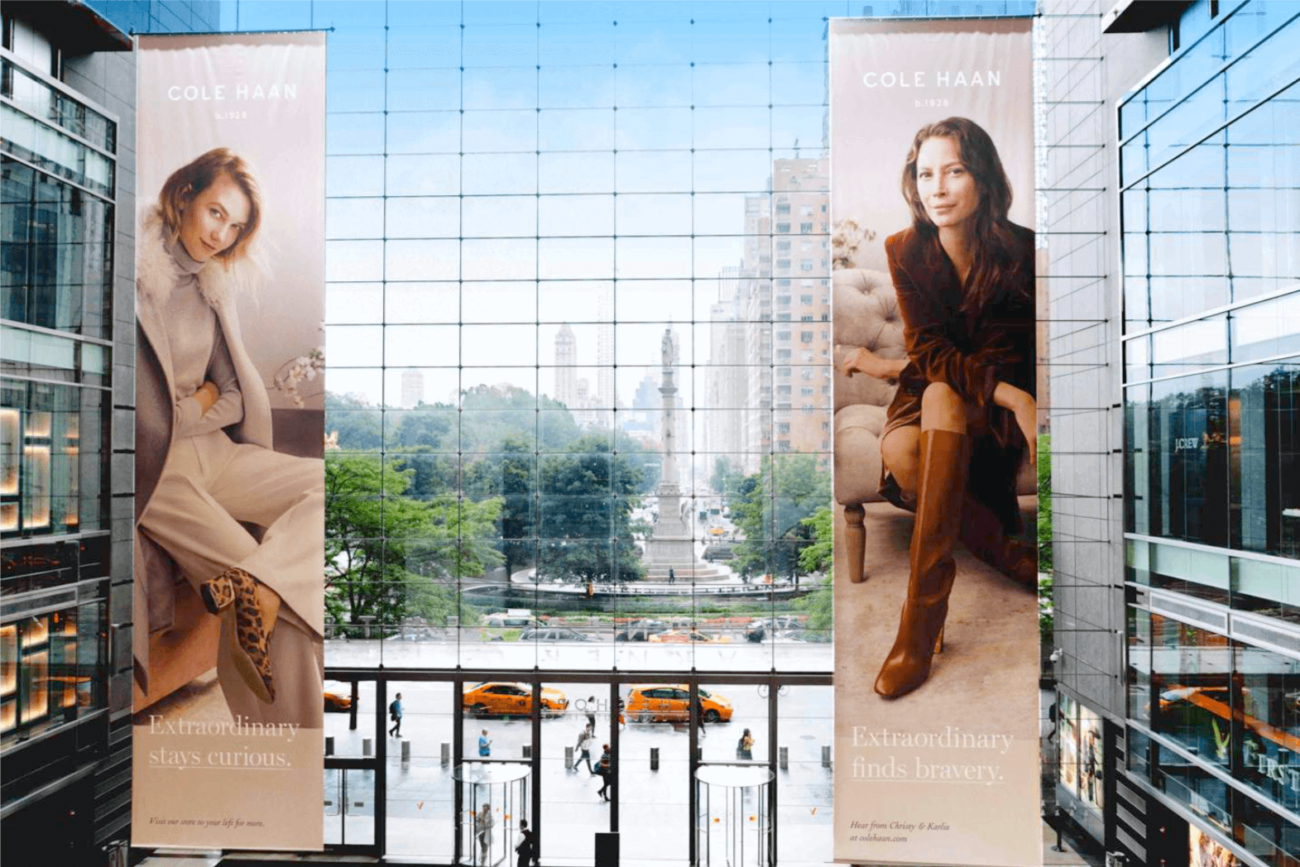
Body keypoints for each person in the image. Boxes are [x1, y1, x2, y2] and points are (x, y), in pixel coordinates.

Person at [840, 117, 1036, 699]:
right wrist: (1016, 396)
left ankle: (918, 628)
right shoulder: (904, 249)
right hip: (938, 392)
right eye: (926, 173)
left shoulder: (1021, 249)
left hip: (985, 407)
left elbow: (1009, 351)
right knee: (902, 445)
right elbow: (927, 350)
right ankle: (1001, 551)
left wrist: (1007, 392)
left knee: (943, 395)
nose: (939, 187)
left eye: (954, 171)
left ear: (982, 178)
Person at [133, 148, 325, 726]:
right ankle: (287, 742)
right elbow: (144, 411)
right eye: (216, 213)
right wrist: (198, 404)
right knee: (267, 599)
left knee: (331, 490)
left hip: (216, 455)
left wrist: (186, 409)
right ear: (184, 194)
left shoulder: (214, 289)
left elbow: (236, 395)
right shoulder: (131, 274)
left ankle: (263, 579)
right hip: (154, 469)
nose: (222, 234)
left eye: (235, 224)